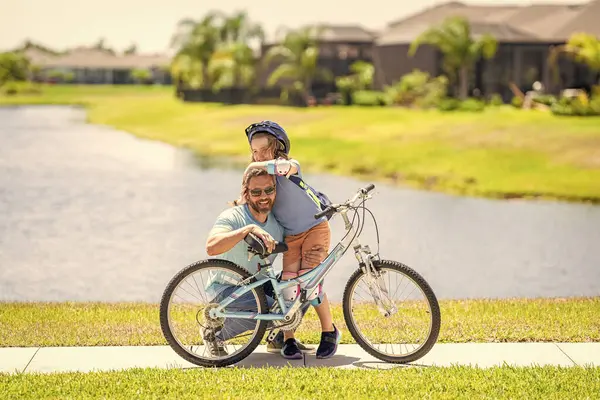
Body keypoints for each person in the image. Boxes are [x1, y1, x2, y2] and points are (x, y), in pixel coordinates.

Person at [236, 120, 341, 360]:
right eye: (254, 151)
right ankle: (288, 337)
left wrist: (254, 166)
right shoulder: (260, 178)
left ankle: (329, 331)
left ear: (278, 146)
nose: (258, 155)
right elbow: (250, 202)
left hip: (315, 228)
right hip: (292, 235)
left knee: (310, 283)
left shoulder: (290, 166)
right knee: (289, 286)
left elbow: (285, 168)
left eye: (264, 149)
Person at [204, 167, 322, 358]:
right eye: (256, 192)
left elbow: (298, 245)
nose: (263, 196)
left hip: (259, 285)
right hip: (225, 290)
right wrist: (247, 230)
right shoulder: (233, 216)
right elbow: (211, 247)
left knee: (307, 282)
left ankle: (279, 338)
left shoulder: (278, 222)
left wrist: (315, 255)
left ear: (275, 190)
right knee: (269, 310)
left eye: (269, 190)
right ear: (246, 193)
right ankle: (214, 334)